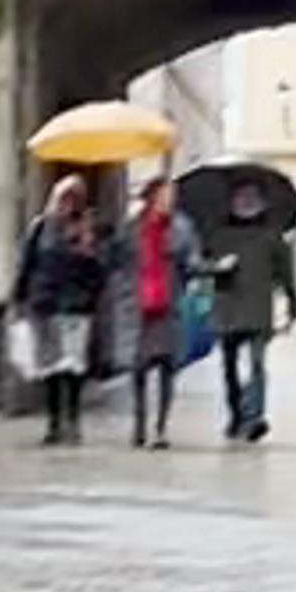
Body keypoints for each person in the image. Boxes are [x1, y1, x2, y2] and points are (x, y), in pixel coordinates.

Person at [203, 169, 296, 446]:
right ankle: (236, 415)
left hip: (258, 309)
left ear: (262, 202)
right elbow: (202, 266)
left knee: (257, 365)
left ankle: (254, 417)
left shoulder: (272, 235)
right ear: (232, 201)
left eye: (252, 197)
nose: (246, 202)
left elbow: (286, 273)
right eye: (241, 197)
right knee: (229, 368)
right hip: (227, 307)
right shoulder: (218, 234)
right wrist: (217, 267)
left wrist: (294, 303)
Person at [12, 172, 106, 446]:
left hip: (76, 307)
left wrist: (88, 254)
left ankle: (73, 420)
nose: (68, 205)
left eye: (74, 199)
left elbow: (100, 272)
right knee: (50, 366)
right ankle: (54, 423)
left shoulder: (87, 229)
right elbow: (27, 263)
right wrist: (19, 298)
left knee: (74, 366)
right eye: (64, 198)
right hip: (45, 304)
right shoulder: (40, 227)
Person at [125, 176, 201, 449]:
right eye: (164, 195)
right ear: (151, 196)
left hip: (169, 303)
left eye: (172, 196)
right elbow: (119, 260)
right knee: (139, 369)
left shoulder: (180, 227)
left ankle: (160, 428)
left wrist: (193, 262)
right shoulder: (134, 226)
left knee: (168, 368)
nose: (169, 201)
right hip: (140, 305)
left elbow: (193, 259)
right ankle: (139, 425)